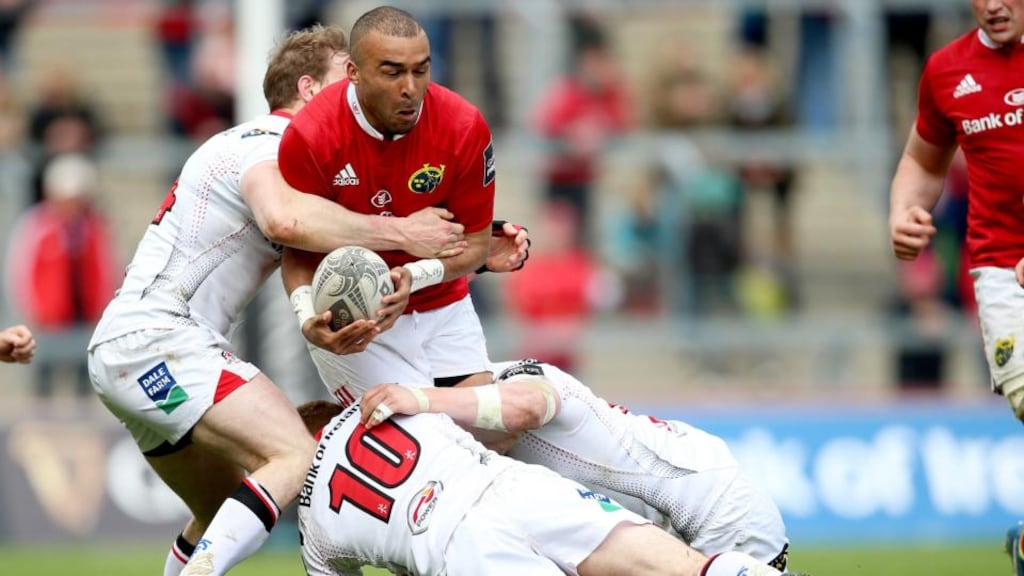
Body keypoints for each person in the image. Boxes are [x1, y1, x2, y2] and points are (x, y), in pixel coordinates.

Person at [87, 25, 468, 576]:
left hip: (129, 350)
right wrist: (404, 231)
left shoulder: (298, 165)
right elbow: (283, 219)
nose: (360, 95)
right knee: (295, 455)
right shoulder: (266, 142)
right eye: (348, 80)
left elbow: (314, 242)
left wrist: (476, 245)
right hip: (162, 338)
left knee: (219, 511)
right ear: (310, 89)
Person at [279, 6, 526, 402]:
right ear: (354, 73)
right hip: (357, 318)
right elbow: (297, 247)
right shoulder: (310, 137)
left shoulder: (463, 128)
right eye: (392, 72)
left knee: (487, 431)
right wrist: (307, 315)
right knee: (411, 439)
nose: (410, 87)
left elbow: (478, 247)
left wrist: (415, 278)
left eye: (421, 70)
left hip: (443, 304)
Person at [359, 358, 790, 571]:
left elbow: (523, 411)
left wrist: (418, 399)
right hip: (679, 520)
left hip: (715, 510)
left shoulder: (516, 377)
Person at [296, 399, 800, 576]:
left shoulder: (311, 523)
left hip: (460, 549)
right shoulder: (397, 406)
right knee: (681, 568)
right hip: (519, 488)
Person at [886, 2, 1024, 574]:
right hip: (1000, 269)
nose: (993, 4)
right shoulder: (947, 71)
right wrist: (903, 210)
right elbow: (923, 157)